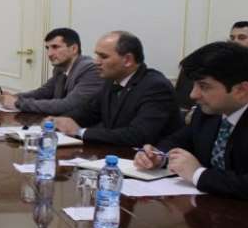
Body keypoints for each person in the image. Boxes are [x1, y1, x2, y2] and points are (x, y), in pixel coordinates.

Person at [134, 42, 248, 215]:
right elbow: (180, 140)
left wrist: (198, 174)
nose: (193, 95)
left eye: (203, 86)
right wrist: (158, 156)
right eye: (194, 84)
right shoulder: (211, 109)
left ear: (241, 90)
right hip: (219, 213)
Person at [52, 31, 182, 146]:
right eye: (97, 55)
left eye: (103, 57)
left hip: (147, 159)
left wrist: (81, 132)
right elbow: (89, 112)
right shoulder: (112, 80)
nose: (96, 62)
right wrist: (59, 121)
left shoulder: (156, 87)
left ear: (128, 60)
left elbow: (138, 135)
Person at [0, 28, 102, 114]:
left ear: (74, 49)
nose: (49, 54)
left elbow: (68, 105)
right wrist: (16, 97)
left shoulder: (90, 69)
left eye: (55, 47)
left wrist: (18, 103)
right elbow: (44, 92)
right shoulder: (60, 68)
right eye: (47, 48)